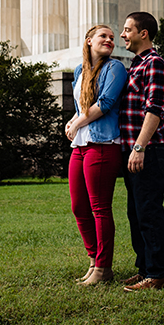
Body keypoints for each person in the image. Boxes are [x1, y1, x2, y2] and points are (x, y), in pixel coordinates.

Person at [64, 24, 128, 286]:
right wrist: (72, 120)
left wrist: (77, 122)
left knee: (100, 208)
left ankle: (103, 268)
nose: (110, 40)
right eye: (104, 36)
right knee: (79, 207)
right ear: (89, 40)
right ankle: (93, 261)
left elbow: (105, 103)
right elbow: (82, 105)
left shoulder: (115, 69)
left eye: (112, 38)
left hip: (103, 144)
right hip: (80, 146)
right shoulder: (80, 71)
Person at [119, 11, 164, 291]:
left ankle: (157, 274)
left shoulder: (154, 64)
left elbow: (155, 110)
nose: (122, 35)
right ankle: (144, 269)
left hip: (149, 150)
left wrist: (139, 147)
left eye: (128, 30)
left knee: (149, 211)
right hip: (134, 151)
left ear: (144, 34)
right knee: (136, 212)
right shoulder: (134, 66)